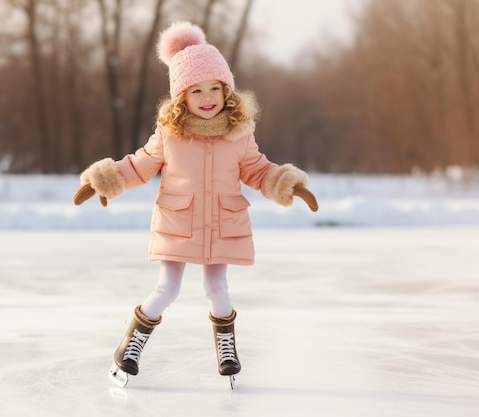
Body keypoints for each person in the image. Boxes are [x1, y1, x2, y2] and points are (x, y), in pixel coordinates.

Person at [73, 21, 317, 387]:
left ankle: (226, 347)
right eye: (196, 90)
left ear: (226, 91)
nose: (207, 97)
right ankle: (130, 346)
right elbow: (139, 165)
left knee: (218, 288)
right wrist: (104, 179)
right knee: (166, 289)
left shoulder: (239, 135)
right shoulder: (169, 135)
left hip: (222, 222)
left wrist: (286, 183)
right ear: (181, 97)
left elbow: (257, 170)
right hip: (178, 222)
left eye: (215, 88)